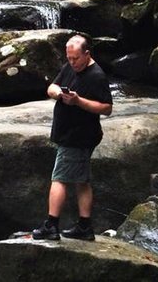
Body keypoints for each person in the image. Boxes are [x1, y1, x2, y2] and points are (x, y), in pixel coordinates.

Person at [32, 34, 113, 241]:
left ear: (87, 54)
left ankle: (52, 225)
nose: (72, 62)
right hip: (68, 133)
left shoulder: (97, 76)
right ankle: (85, 227)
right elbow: (51, 87)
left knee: (59, 179)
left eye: (76, 58)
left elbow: (107, 108)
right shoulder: (70, 67)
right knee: (81, 180)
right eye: (69, 58)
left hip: (78, 136)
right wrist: (59, 94)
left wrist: (78, 101)